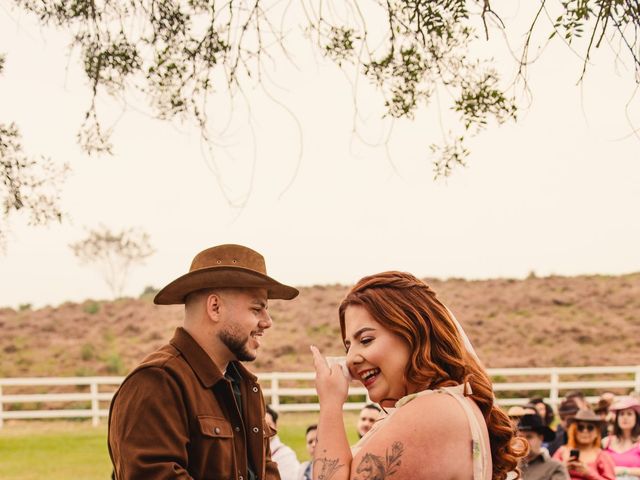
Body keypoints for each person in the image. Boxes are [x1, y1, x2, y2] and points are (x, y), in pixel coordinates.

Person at [310, 271, 525, 480]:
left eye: (366, 340)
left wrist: (330, 404)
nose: (351, 358)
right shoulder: (440, 405)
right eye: (348, 346)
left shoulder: (432, 412)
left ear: (413, 333)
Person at [108, 244, 299, 479]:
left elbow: (264, 471)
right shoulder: (157, 382)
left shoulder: (246, 387)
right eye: (257, 308)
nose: (267, 321)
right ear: (215, 307)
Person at [553, 409, 616, 480]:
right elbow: (547, 475)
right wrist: (562, 468)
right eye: (580, 427)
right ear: (574, 430)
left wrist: (589, 473)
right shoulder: (561, 452)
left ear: (597, 432)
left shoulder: (603, 456)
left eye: (590, 428)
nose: (585, 431)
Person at [518, 414, 568, 480]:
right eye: (520, 437)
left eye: (529, 437)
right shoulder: (510, 466)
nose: (524, 441)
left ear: (541, 438)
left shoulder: (555, 467)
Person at [602, 397, 640, 479]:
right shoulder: (606, 442)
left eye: (629, 414)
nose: (625, 417)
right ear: (617, 418)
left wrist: (624, 470)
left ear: (636, 418)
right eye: (621, 414)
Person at [265, 405, 300, 480]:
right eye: (260, 426)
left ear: (275, 426)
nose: (264, 430)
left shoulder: (286, 455)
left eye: (268, 425)